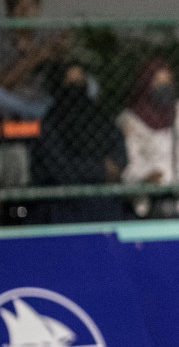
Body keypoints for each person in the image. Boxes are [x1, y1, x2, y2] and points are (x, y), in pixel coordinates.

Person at [30, 61, 126, 224]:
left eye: (80, 83)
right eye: (70, 83)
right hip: (63, 206)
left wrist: (114, 165)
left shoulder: (101, 118)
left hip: (105, 204)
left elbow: (120, 153)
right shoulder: (50, 124)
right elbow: (62, 169)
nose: (76, 88)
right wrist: (102, 169)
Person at [0, 0, 67, 194]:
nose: (26, 12)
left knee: (88, 86)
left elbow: (61, 79)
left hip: (41, 107)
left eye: (31, 6)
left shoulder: (44, 37)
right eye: (20, 6)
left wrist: (60, 54)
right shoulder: (3, 39)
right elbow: (3, 83)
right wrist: (34, 58)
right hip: (11, 106)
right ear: (10, 10)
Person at [119, 59, 179, 218]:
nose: (164, 86)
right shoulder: (130, 119)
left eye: (168, 81)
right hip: (149, 200)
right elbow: (129, 162)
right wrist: (145, 176)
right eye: (157, 81)